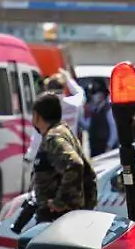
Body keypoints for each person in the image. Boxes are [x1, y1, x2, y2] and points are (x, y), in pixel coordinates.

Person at [11, 93, 97, 232]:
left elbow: (74, 164)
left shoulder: (54, 138)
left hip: (57, 220)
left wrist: (61, 202)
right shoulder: (62, 131)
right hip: (56, 218)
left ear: (37, 116)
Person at [86, 87, 118, 158]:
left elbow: (114, 129)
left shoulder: (108, 109)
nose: (93, 97)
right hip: (95, 146)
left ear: (102, 95)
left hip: (104, 146)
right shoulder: (95, 109)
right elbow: (88, 126)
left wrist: (109, 145)